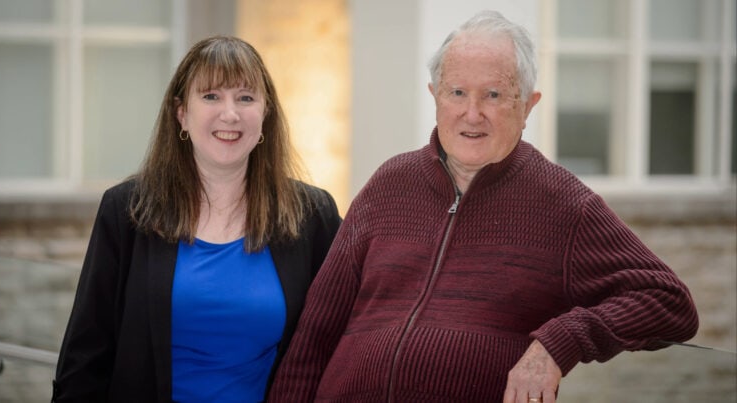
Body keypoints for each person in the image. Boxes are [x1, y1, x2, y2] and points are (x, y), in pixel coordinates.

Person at [267, 10, 699, 403]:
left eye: (493, 95)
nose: (472, 114)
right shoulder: (389, 184)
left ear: (528, 105)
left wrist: (557, 342)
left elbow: (668, 302)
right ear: (435, 96)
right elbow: (315, 336)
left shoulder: (564, 204)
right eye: (457, 92)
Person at [52, 36, 342, 402]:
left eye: (246, 97)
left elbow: (346, 338)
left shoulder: (312, 216)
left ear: (265, 113)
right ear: (181, 113)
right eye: (211, 96)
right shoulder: (127, 211)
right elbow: (86, 353)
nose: (230, 113)